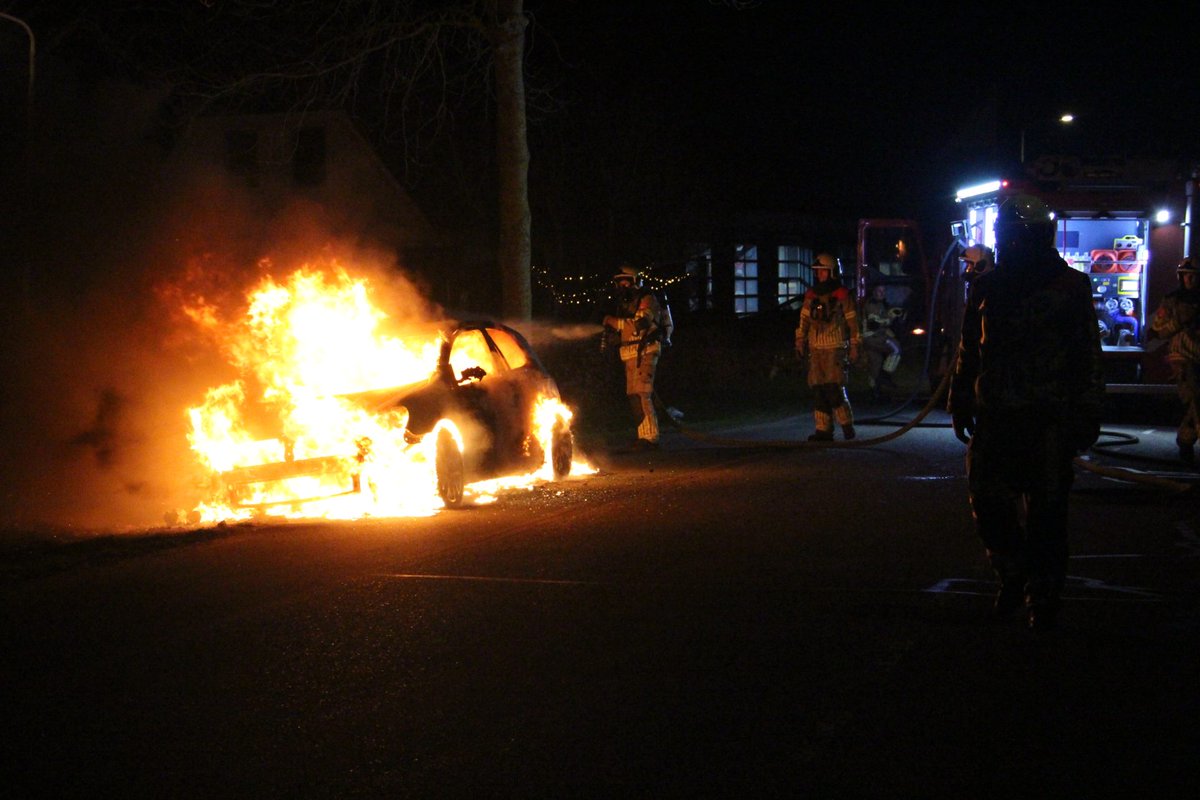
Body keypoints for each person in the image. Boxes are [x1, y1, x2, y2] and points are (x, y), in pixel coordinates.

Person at [947, 194, 1105, 631]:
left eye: (1006, 232)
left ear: (1027, 235)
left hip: (1048, 417)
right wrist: (961, 397)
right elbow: (969, 349)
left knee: (1047, 513)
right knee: (987, 499)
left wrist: (1087, 410)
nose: (1001, 239)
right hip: (997, 414)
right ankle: (1013, 573)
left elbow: (1086, 353)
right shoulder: (988, 286)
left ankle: (1044, 594)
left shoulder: (1068, 288)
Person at [795, 253, 860, 441]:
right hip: (816, 349)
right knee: (818, 389)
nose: (820, 275)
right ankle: (823, 430)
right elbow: (804, 319)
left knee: (833, 387)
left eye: (823, 271)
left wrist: (855, 345)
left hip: (835, 347)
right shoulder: (811, 295)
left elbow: (853, 323)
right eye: (817, 272)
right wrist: (800, 340)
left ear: (832, 272)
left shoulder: (842, 295)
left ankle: (846, 424)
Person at [602, 264, 666, 450]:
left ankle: (650, 438)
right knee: (633, 396)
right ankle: (643, 436)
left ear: (636, 281)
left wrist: (614, 322)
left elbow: (641, 323)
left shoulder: (647, 299)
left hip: (645, 351)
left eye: (626, 281)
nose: (623, 285)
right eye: (619, 281)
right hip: (629, 354)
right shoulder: (623, 304)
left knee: (642, 393)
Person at [1146, 257, 1200, 464]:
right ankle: (1187, 440)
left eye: (1195, 276)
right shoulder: (1172, 301)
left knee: (1194, 403)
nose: (1190, 280)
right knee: (1194, 397)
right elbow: (1159, 330)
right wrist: (1180, 321)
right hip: (1182, 358)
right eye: (1187, 276)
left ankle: (1186, 439)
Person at [861, 283, 902, 398]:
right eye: (879, 291)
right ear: (874, 292)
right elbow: (874, 323)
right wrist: (890, 317)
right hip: (872, 337)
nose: (882, 294)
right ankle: (885, 376)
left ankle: (875, 392)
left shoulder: (880, 304)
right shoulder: (871, 305)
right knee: (896, 349)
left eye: (884, 291)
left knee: (875, 363)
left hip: (873, 338)